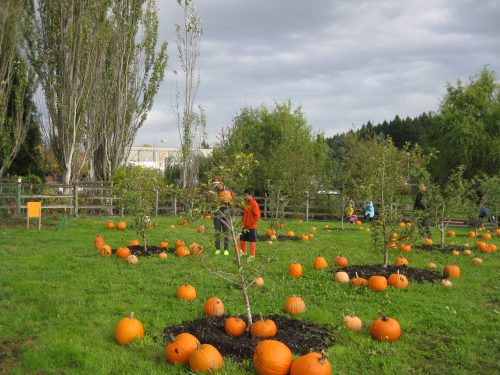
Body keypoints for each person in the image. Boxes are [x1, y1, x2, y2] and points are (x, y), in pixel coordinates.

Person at [212, 176, 234, 255]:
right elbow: (211, 202)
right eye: (215, 183)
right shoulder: (214, 191)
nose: (216, 185)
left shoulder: (228, 191)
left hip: (226, 213)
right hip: (217, 212)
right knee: (217, 231)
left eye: (217, 183)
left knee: (226, 232)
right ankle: (217, 249)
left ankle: (226, 249)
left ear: (221, 183)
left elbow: (232, 202)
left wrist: (230, 212)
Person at [240, 188, 261, 258]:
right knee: (242, 239)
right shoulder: (246, 203)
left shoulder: (254, 204)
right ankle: (244, 251)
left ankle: (252, 255)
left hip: (252, 226)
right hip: (244, 226)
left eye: (246, 195)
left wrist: (251, 223)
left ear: (250, 195)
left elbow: (257, 216)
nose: (245, 197)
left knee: (252, 241)